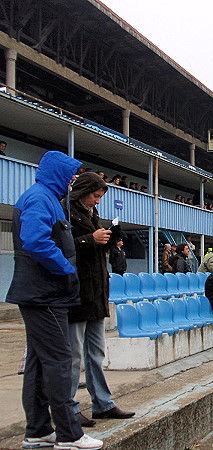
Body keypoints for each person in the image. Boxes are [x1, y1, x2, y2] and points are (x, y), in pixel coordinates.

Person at [6, 151, 103, 449]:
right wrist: (66, 268)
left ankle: (38, 430)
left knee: (38, 364)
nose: (74, 181)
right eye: (71, 176)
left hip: (43, 293)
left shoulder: (46, 197)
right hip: (45, 294)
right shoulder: (40, 198)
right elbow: (36, 241)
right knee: (60, 361)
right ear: (58, 174)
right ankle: (69, 434)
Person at [64, 172, 134, 428]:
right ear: (83, 192)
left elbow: (93, 249)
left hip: (96, 293)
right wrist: (89, 239)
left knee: (96, 352)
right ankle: (68, 409)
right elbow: (60, 246)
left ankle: (102, 404)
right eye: (95, 196)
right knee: (73, 355)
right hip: (78, 293)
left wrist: (110, 239)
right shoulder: (64, 211)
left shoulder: (90, 214)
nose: (97, 202)